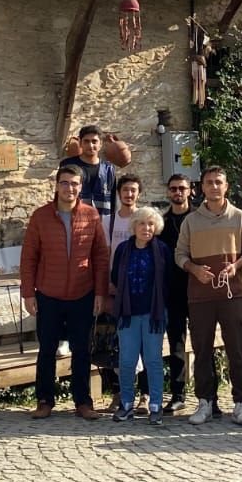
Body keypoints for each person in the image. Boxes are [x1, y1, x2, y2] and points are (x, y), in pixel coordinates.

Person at [20, 164, 109, 421]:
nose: (69, 188)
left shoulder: (91, 215)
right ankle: (44, 400)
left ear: (81, 187)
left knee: (82, 349)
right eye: (65, 183)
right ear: (57, 185)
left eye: (74, 184)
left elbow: (101, 256)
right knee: (47, 348)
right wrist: (28, 293)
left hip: (83, 293)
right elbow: (29, 257)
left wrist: (100, 293)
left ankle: (83, 402)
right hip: (49, 293)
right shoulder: (40, 217)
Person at [175, 166, 242, 427]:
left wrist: (237, 265)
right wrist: (194, 269)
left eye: (218, 182)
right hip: (200, 297)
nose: (213, 186)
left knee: (237, 349)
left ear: (226, 186)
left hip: (231, 294)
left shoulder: (240, 217)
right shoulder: (191, 221)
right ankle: (205, 402)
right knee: (201, 350)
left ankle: (241, 402)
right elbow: (179, 254)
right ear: (201, 187)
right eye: (209, 182)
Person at [111, 205, 169, 425]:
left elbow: (168, 280)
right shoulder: (123, 249)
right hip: (128, 314)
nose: (147, 228)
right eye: (142, 223)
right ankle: (126, 404)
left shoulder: (162, 250)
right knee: (126, 361)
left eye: (151, 224)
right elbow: (115, 277)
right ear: (134, 226)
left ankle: (156, 405)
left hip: (153, 314)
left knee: (153, 360)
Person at [96, 172, 144, 409]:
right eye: (125, 190)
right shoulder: (108, 221)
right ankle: (118, 393)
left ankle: (145, 394)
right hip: (115, 288)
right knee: (115, 340)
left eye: (133, 190)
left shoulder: (145, 218)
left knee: (143, 341)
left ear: (139, 194)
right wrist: (106, 284)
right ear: (118, 193)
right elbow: (104, 255)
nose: (129, 194)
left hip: (139, 289)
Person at [158, 174, 194, 411]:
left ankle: (208, 395)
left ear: (190, 191)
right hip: (172, 291)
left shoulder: (200, 218)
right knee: (176, 344)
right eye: (173, 189)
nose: (177, 192)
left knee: (203, 342)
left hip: (197, 287)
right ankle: (178, 394)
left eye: (182, 188)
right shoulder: (162, 223)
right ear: (168, 192)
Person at [60, 125, 117, 220]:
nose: (90, 145)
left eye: (94, 141)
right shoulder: (68, 165)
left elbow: (113, 200)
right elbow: (60, 194)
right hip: (74, 221)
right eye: (86, 141)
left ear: (100, 144)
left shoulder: (109, 169)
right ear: (80, 143)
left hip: (102, 223)